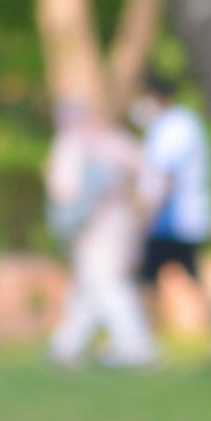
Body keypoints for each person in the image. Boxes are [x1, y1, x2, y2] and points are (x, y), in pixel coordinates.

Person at [132, 71, 211, 365]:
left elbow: (165, 178)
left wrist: (144, 215)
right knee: (173, 279)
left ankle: (146, 345)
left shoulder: (174, 127)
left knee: (154, 280)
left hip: (172, 219)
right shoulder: (178, 124)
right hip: (178, 218)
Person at [45, 99, 156, 369]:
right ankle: (66, 345)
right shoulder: (107, 142)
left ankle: (134, 346)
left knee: (106, 284)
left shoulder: (83, 144)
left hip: (101, 228)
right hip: (102, 226)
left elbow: (63, 189)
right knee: (91, 285)